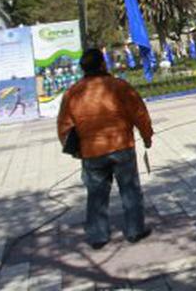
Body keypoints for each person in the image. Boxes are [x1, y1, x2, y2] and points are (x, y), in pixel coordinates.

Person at [57, 49, 153, 249]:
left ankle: (98, 236)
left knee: (96, 195)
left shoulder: (72, 93)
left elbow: (64, 126)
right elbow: (139, 113)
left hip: (91, 151)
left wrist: (75, 150)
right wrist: (147, 136)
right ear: (103, 64)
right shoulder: (119, 86)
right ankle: (135, 230)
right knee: (130, 190)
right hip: (121, 146)